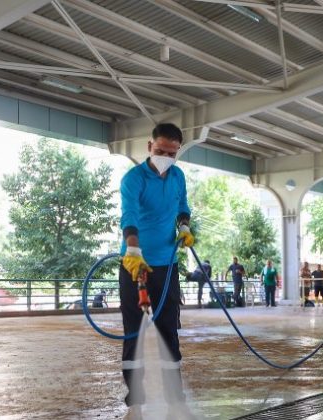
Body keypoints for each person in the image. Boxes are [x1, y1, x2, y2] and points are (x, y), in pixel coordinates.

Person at [118, 123, 195, 420]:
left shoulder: (177, 176)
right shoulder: (134, 179)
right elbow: (129, 216)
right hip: (135, 265)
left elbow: (183, 207)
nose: (165, 156)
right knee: (134, 334)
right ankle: (135, 405)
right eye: (160, 150)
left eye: (172, 153)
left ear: (177, 152)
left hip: (167, 266)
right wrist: (133, 250)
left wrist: (185, 226)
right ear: (149, 147)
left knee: (169, 332)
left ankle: (175, 401)